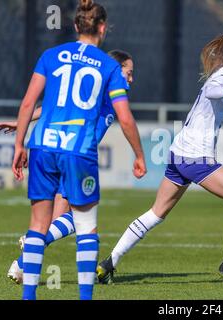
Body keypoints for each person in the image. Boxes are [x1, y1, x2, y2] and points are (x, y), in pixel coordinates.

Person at [96, 30, 223, 289]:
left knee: (156, 213)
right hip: (195, 157)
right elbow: (211, 90)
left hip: (179, 154)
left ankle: (109, 262)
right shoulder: (222, 78)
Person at [12, 0, 146, 300]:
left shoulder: (50, 55)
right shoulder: (109, 66)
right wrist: (139, 155)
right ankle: (85, 296)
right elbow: (125, 118)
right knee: (85, 226)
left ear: (75, 26)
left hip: (42, 146)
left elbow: (29, 103)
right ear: (102, 27)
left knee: (37, 225)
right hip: (78, 150)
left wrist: (20, 143)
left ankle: (28, 295)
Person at [0, 49, 135, 285]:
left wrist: (22, 121)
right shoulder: (102, 89)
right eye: (128, 72)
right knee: (81, 218)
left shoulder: (110, 93)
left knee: (59, 219)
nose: (131, 78)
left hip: (66, 154)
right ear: (115, 69)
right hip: (74, 155)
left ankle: (22, 263)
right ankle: (33, 247)